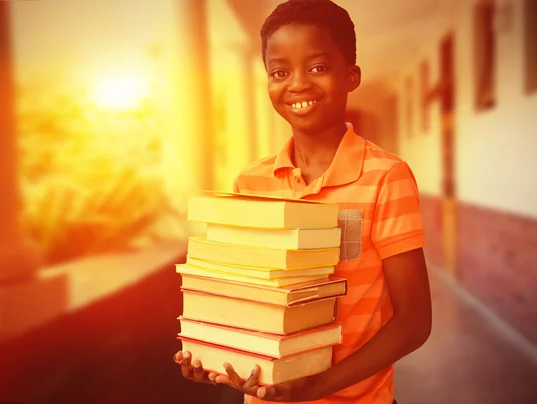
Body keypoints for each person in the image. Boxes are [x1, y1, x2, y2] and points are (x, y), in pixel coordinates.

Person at [175, 0, 432, 403]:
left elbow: (415, 322)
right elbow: (245, 297)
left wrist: (315, 388)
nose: (297, 84)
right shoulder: (250, 181)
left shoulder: (385, 176)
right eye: (280, 72)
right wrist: (216, 357)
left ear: (351, 76)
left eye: (318, 67)